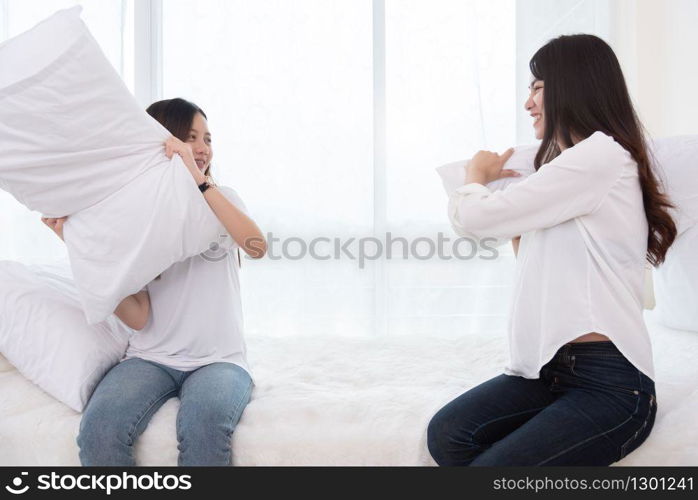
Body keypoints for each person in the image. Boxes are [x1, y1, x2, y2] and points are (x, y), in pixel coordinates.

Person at [427, 34, 677, 466]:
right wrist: (510, 196)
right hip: (550, 369)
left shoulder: (600, 157)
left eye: (537, 87)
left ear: (573, 86)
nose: (528, 103)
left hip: (611, 384)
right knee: (448, 435)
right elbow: (534, 264)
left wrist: (476, 178)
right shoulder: (563, 171)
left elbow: (474, 219)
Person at [42, 97, 266, 466]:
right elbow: (139, 316)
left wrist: (198, 181)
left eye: (207, 139)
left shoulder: (222, 200)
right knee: (99, 433)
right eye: (190, 137)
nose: (202, 148)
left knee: (204, 430)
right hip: (150, 358)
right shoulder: (135, 218)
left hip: (219, 362)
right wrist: (78, 244)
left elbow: (256, 246)